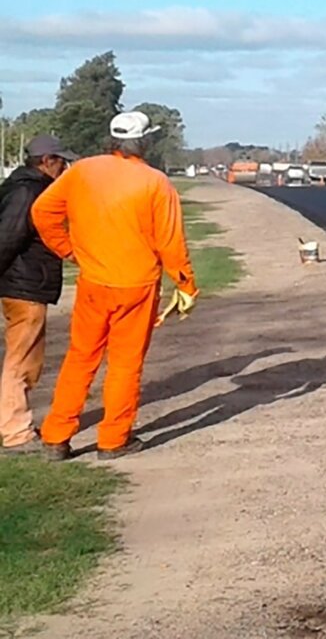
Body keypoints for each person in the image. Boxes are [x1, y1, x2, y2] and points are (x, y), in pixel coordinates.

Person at [31, 111, 199, 461]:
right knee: (125, 364)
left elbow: (43, 211)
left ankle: (56, 438)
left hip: (94, 281)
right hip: (137, 286)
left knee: (80, 358)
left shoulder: (82, 171)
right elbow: (171, 242)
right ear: (144, 141)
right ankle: (113, 440)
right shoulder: (155, 182)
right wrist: (185, 285)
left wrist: (69, 250)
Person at [0, 136, 77, 454]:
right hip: (24, 286)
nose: (65, 167)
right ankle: (15, 431)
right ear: (46, 161)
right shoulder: (28, 192)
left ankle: (11, 424)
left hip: (23, 285)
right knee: (22, 361)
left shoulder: (21, 186)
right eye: (61, 161)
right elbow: (7, 238)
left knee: (25, 359)